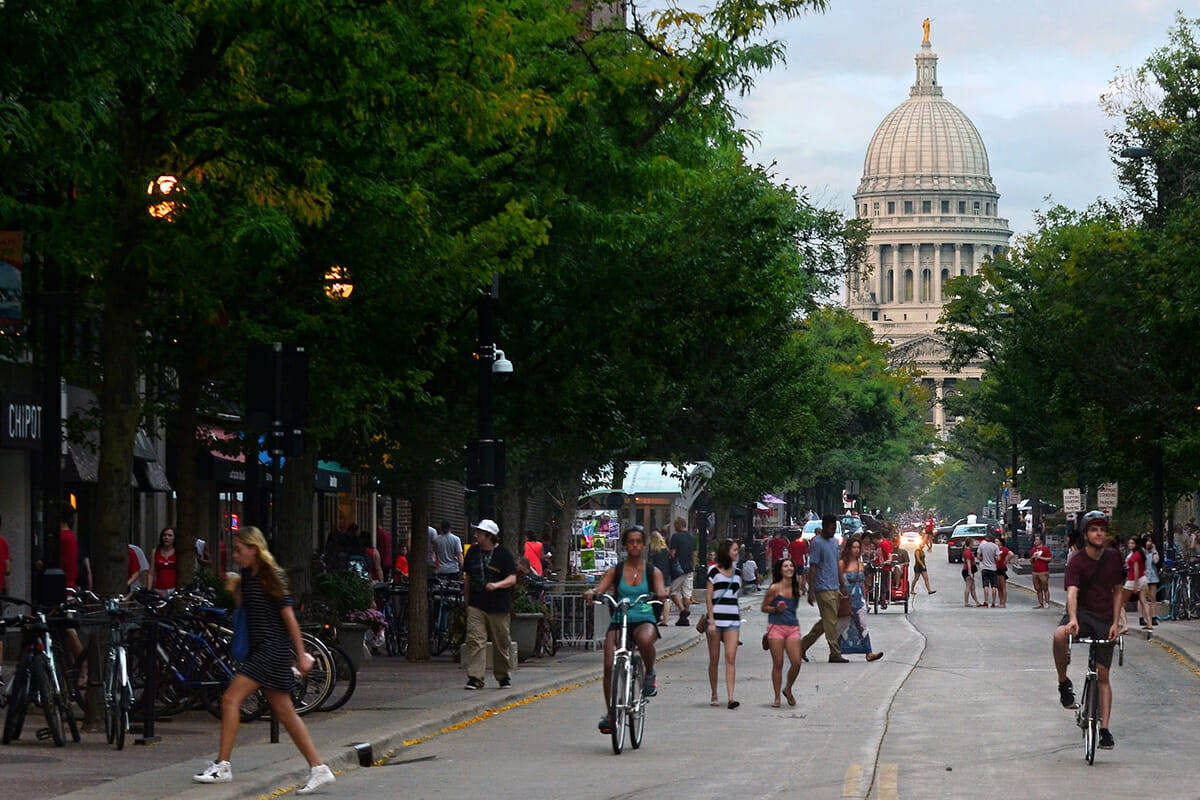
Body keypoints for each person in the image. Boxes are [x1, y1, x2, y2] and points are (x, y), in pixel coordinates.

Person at [192, 527, 334, 793]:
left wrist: (301, 653)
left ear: (254, 549)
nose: (236, 555)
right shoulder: (248, 576)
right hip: (263, 648)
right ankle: (319, 768)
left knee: (230, 699)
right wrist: (235, 589)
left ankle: (223, 765)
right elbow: (247, 609)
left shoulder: (272, 576)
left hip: (271, 650)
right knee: (286, 714)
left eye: (239, 550)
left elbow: (289, 616)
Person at [1052, 510, 1124, 751]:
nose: (1099, 533)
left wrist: (1116, 622)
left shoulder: (1114, 558)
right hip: (1081, 615)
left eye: (1102, 529)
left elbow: (1118, 591)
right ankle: (1064, 684)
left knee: (1103, 675)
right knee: (1059, 635)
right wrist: (1072, 619)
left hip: (1104, 618)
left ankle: (1104, 729)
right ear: (1085, 534)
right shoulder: (1077, 561)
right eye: (1094, 529)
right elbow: (1071, 592)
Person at [585, 526, 666, 733]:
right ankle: (611, 714)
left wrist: (660, 595)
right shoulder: (616, 570)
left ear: (644, 544)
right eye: (631, 541)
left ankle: (649, 673)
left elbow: (660, 590)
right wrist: (593, 592)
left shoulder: (652, 571)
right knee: (608, 665)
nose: (635, 545)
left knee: (646, 640)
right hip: (620, 619)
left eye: (639, 541)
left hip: (643, 617)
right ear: (625, 544)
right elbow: (600, 589)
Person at [461, 519, 517, 690]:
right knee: (475, 640)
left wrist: (497, 585)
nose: (476, 535)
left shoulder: (504, 554)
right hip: (477, 604)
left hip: (498, 606)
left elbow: (512, 578)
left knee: (501, 643)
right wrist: (466, 600)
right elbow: (468, 577)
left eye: (479, 532)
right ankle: (475, 677)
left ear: (489, 536)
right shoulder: (472, 552)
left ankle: (502, 675)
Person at [800, 515, 848, 663]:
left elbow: (836, 564)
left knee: (828, 620)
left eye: (835, 528)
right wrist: (811, 589)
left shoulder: (834, 542)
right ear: (825, 526)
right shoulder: (817, 543)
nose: (833, 531)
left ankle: (801, 646)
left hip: (834, 585)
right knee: (831, 620)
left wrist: (842, 583)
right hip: (822, 586)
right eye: (831, 528)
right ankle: (835, 652)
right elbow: (813, 567)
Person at [705, 538, 743, 708]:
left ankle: (730, 697)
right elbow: (708, 596)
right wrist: (711, 620)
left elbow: (735, 596)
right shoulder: (714, 571)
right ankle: (714, 693)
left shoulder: (738, 573)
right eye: (734, 550)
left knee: (730, 657)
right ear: (726, 552)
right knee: (714, 659)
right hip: (716, 618)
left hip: (732, 619)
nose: (737, 553)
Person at [760, 557, 803, 707]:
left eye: (791, 565)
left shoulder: (796, 587)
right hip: (776, 627)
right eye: (785, 566)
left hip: (792, 628)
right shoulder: (774, 588)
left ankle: (788, 688)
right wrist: (775, 608)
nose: (789, 568)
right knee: (778, 663)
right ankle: (777, 697)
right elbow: (764, 607)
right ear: (780, 570)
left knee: (797, 662)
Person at [837, 537, 884, 662]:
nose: (856, 550)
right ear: (849, 548)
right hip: (846, 598)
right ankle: (836, 652)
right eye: (854, 547)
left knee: (862, 625)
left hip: (859, 598)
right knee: (842, 626)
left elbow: (863, 583)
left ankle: (868, 652)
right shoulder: (842, 563)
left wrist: (866, 599)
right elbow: (836, 581)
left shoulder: (860, 563)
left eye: (858, 547)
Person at [667, 517, 695, 627]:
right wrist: (692, 565)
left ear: (679, 525)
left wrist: (671, 562)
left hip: (679, 569)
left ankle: (682, 610)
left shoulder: (675, 537)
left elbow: (672, 553)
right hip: (689, 568)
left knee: (673, 591)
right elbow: (694, 553)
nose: (674, 527)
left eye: (675, 525)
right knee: (687, 594)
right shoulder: (691, 537)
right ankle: (684, 617)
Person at [1123, 536, 1151, 632]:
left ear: (1136, 544)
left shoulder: (1135, 556)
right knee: (1144, 602)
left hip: (1133, 580)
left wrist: (1135, 585)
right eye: (1129, 543)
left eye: (1132, 543)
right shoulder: (1141, 554)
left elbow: (1136, 570)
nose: (1130, 545)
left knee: (1122, 603)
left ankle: (1125, 625)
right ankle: (1149, 623)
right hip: (1143, 579)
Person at [646, 529, 672, 622]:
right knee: (666, 599)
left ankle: (657, 616)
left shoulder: (652, 551)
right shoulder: (666, 550)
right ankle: (665, 619)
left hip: (656, 577)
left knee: (655, 598)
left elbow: (650, 565)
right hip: (666, 575)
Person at [149, 527, 178, 597]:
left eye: (170, 535)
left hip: (173, 589)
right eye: (164, 535)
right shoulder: (155, 552)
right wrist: (149, 590)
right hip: (158, 588)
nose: (166, 537)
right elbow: (151, 573)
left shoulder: (178, 553)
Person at [977, 532, 1000, 608]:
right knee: (994, 586)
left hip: (984, 568)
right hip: (993, 568)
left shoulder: (982, 546)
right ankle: (993, 602)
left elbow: (978, 557)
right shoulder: (995, 547)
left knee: (985, 585)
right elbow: (998, 558)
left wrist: (982, 559)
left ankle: (986, 601)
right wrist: (994, 558)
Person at [1030, 534, 1053, 608]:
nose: (1035, 541)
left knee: (1045, 588)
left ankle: (1047, 602)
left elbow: (1049, 559)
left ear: (1041, 541)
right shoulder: (1033, 550)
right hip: (1035, 571)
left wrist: (1040, 558)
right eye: (1035, 540)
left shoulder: (1045, 549)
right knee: (1038, 589)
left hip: (1043, 571)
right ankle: (1040, 603)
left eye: (1037, 540)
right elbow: (1031, 561)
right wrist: (1033, 557)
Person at [1141, 535, 1160, 627]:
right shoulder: (1141, 552)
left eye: (1151, 541)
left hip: (1152, 576)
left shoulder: (1153, 553)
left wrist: (1154, 551)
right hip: (1143, 576)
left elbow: (1156, 561)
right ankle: (1143, 617)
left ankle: (1154, 617)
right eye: (1148, 541)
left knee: (1153, 597)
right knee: (1143, 597)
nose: (1149, 543)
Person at [962, 538, 982, 607]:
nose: (973, 544)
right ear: (970, 543)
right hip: (967, 570)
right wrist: (970, 572)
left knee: (972, 587)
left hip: (969, 570)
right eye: (972, 543)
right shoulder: (967, 552)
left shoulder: (968, 551)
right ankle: (966, 602)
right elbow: (968, 562)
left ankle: (977, 602)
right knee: (968, 587)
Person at [995, 536, 1013, 608]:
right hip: (996, 568)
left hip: (1001, 568)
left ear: (1000, 542)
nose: (995, 543)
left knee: (1003, 586)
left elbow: (1011, 554)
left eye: (997, 541)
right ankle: (1000, 601)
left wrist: (1006, 561)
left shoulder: (1003, 549)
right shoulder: (996, 550)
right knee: (998, 586)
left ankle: (1003, 602)